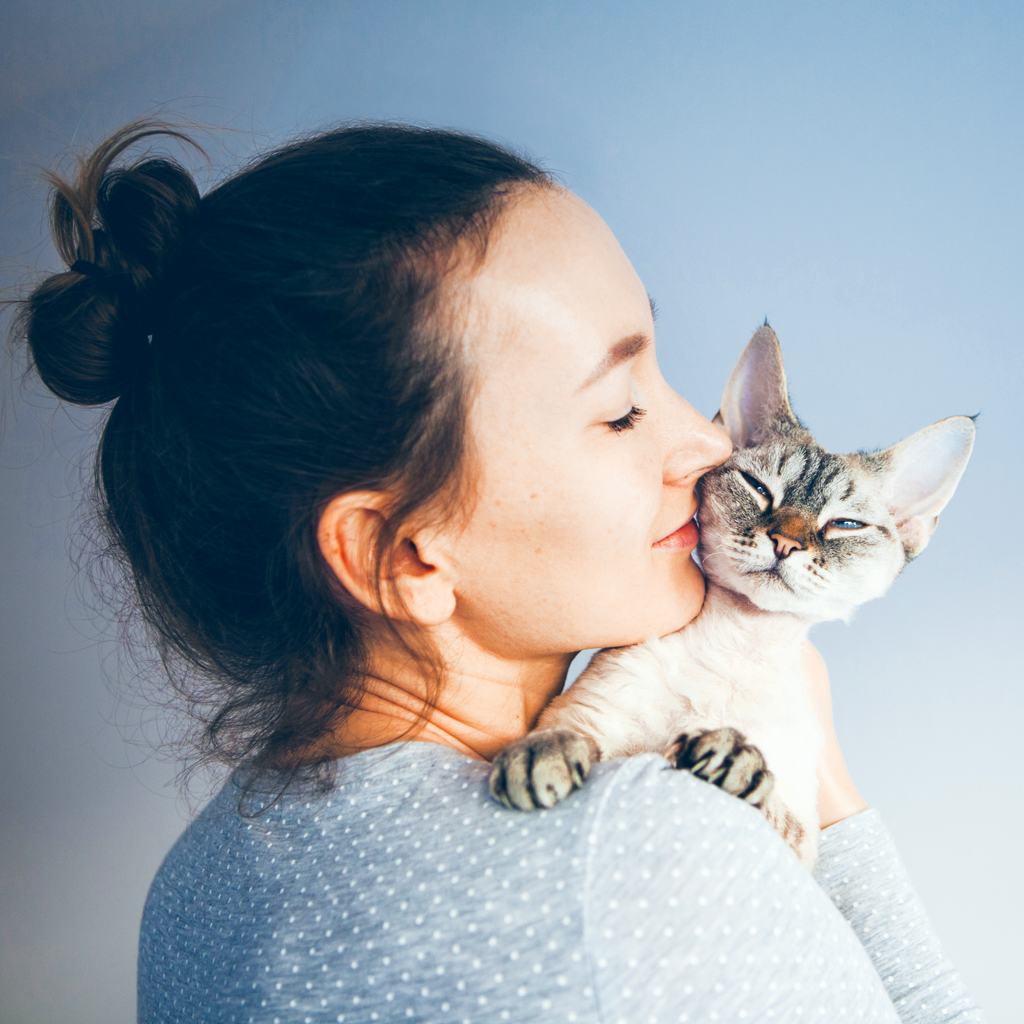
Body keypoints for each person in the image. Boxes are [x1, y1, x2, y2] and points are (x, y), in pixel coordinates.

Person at [16, 119, 984, 1024]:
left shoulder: (190, 893)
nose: (705, 443)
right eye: (618, 410)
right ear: (404, 554)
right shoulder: (647, 863)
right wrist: (828, 794)